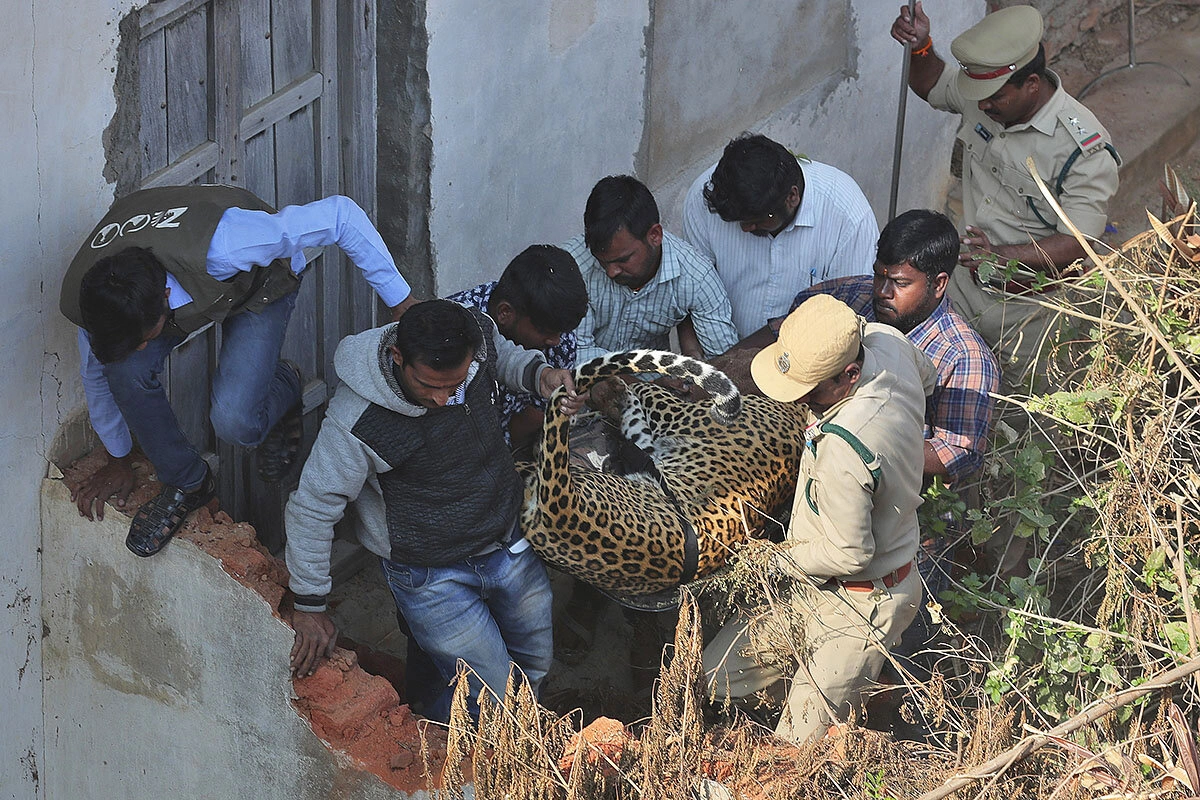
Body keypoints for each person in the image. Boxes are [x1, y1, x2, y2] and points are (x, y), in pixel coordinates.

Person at [60, 185, 415, 558]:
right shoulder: (96, 299)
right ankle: (188, 482)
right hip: (174, 274)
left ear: (166, 299)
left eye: (145, 337)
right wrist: (118, 458)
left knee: (236, 423)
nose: (144, 347)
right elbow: (96, 373)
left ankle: (286, 383)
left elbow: (340, 215)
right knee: (124, 370)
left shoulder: (232, 243)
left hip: (259, 284)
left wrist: (401, 300)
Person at [285, 299, 584, 723]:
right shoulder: (358, 420)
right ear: (398, 357)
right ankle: (449, 766)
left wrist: (540, 376)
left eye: (455, 384)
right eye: (429, 386)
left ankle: (518, 745)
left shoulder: (476, 335)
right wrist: (310, 604)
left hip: (507, 543)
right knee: (489, 698)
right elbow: (313, 506)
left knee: (533, 666)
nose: (443, 399)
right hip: (430, 577)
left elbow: (504, 357)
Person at [703, 295, 935, 742]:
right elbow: (929, 376)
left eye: (810, 390)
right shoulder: (886, 341)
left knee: (795, 748)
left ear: (849, 374)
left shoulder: (845, 448)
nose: (801, 400)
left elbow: (849, 553)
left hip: (864, 602)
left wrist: (769, 562)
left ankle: (842, 718)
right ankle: (799, 699)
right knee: (718, 676)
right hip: (812, 588)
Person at [788, 210, 1000, 673]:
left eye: (899, 283)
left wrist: (865, 457)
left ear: (939, 284)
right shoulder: (855, 302)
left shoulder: (964, 358)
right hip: (834, 506)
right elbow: (807, 306)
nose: (882, 293)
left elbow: (956, 453)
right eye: (879, 275)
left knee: (893, 659)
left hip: (911, 537)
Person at [891, 3, 1120, 390]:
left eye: (993, 98)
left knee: (1026, 416)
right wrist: (921, 47)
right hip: (963, 287)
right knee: (935, 388)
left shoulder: (1082, 149)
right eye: (978, 96)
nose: (981, 106)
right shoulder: (987, 95)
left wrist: (1000, 256)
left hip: (1032, 310)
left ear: (1032, 84)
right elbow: (933, 84)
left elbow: (1081, 241)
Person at [682, 133, 879, 339]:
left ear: (792, 197)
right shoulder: (704, 198)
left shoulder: (847, 215)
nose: (746, 228)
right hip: (724, 351)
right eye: (738, 220)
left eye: (757, 219)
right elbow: (696, 296)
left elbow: (851, 319)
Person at [565, 175, 739, 364]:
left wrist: (691, 365)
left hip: (655, 387)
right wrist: (641, 373)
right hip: (583, 383)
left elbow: (724, 360)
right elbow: (575, 354)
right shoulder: (572, 267)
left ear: (654, 235)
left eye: (623, 260)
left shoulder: (697, 278)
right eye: (602, 262)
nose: (611, 272)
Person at [447, 244, 588, 452]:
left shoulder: (559, 338)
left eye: (560, 332)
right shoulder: (455, 329)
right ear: (505, 313)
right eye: (546, 331)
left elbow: (534, 415)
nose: (556, 341)